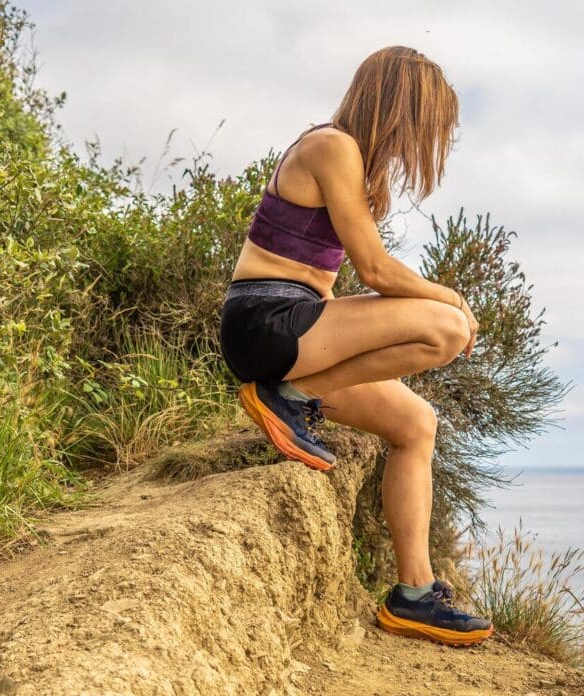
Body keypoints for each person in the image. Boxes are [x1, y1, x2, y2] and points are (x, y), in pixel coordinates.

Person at [218, 46, 493, 647]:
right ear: (397, 106)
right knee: (443, 327)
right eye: (423, 122)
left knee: (418, 423)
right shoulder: (331, 145)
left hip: (294, 334)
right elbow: (374, 269)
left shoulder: (355, 167)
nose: (422, 140)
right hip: (266, 322)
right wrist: (454, 299)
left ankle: (413, 595)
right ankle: (291, 395)